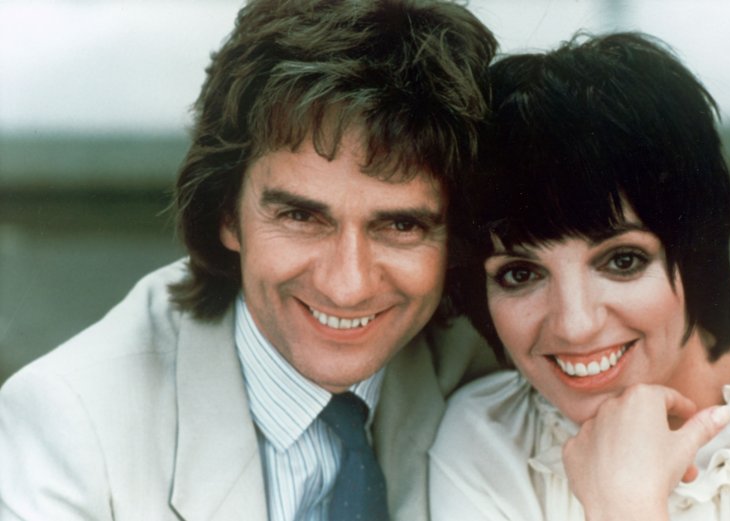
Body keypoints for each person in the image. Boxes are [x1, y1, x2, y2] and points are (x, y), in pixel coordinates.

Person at [0, 1, 499, 519]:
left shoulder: (497, 365)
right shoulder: (73, 425)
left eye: (400, 226)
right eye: (301, 217)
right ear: (227, 215)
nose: (347, 286)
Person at [429, 32, 730, 520]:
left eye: (622, 261)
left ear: (697, 250)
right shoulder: (489, 441)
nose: (575, 325)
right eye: (520, 273)